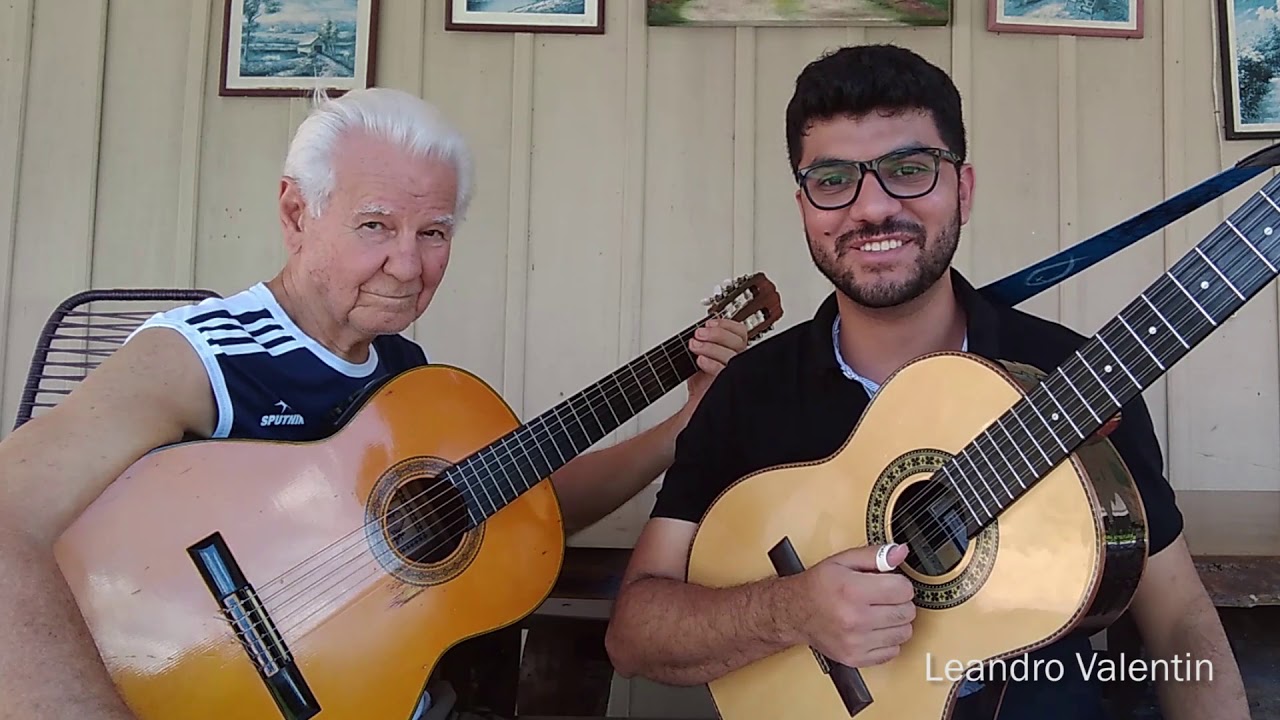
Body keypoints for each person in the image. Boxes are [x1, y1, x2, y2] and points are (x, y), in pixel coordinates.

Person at [0, 87, 748, 719]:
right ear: (296, 215)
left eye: (434, 232)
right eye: (374, 226)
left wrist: (679, 432)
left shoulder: (402, 371)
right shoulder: (200, 357)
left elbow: (524, 499)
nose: (409, 263)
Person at [604, 44, 1250, 720]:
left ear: (963, 190)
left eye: (909, 170)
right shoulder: (749, 390)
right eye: (832, 180)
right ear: (803, 205)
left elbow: (1180, 623)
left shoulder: (1075, 377)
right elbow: (635, 632)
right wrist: (790, 610)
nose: (872, 208)